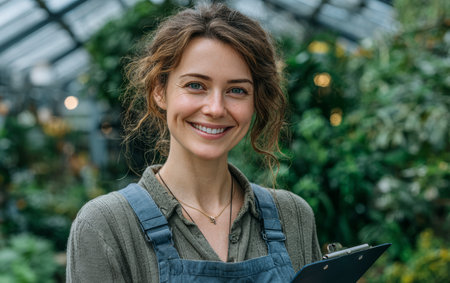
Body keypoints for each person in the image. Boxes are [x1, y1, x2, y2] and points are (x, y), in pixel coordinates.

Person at [66, 3, 321, 282]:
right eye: (195, 85)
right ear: (159, 92)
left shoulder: (293, 216)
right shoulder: (106, 226)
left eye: (237, 90)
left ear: (255, 102)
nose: (215, 108)